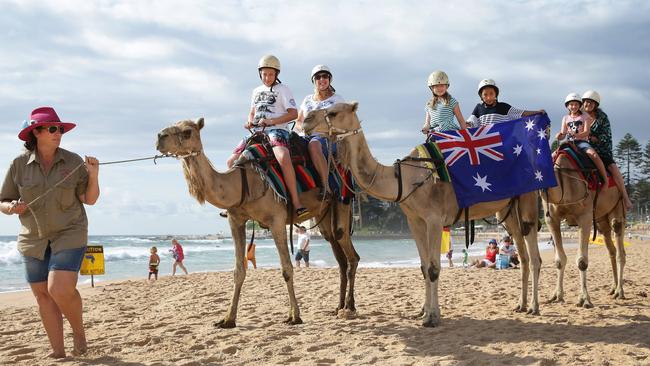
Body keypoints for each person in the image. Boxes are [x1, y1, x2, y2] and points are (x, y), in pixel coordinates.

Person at [0, 106, 100, 358]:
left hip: (70, 231)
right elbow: (3, 200)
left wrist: (94, 176)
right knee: (43, 296)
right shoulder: (19, 165)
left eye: (61, 129)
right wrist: (12, 207)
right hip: (32, 238)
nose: (59, 133)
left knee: (59, 289)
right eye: (53, 129)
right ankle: (58, 350)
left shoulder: (74, 161)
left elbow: (89, 199)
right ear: (37, 132)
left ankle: (78, 332)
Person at [225, 55, 308, 220]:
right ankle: (233, 204)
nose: (267, 77)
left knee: (283, 157)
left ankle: (297, 202)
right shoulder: (255, 91)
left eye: (270, 74)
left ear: (276, 74)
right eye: (264, 74)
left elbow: (294, 114)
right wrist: (249, 122)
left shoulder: (283, 89)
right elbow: (252, 112)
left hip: (277, 130)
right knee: (231, 161)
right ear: (260, 74)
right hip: (257, 132)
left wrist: (271, 121)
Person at [295, 65, 345, 198]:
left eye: (325, 76)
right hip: (306, 136)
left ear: (329, 79)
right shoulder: (307, 99)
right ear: (313, 81)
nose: (321, 79)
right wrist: (303, 129)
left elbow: (342, 122)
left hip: (328, 138)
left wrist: (322, 129)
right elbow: (299, 121)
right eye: (318, 77)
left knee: (314, 145)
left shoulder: (337, 99)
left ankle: (326, 187)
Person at [582, 90, 633, 211]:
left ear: (595, 105)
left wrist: (594, 138)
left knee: (612, 168)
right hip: (583, 148)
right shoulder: (580, 116)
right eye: (585, 102)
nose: (588, 104)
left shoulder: (602, 118)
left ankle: (625, 197)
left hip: (601, 149)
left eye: (591, 102)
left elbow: (606, 135)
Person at [555, 93, 608, 183]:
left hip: (582, 142)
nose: (574, 106)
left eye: (576, 104)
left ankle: (605, 179)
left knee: (594, 155)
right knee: (552, 156)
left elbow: (587, 132)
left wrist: (576, 135)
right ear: (567, 106)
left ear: (580, 105)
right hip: (569, 144)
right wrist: (559, 136)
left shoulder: (585, 116)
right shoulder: (565, 118)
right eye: (571, 104)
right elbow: (563, 133)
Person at [466, 79, 545, 127]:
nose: (488, 97)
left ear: (496, 94)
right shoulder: (479, 108)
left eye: (491, 94)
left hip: (501, 144)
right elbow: (471, 122)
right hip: (485, 145)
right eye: (485, 95)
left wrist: (537, 112)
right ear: (481, 96)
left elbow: (521, 113)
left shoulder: (503, 107)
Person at [421, 70, 467, 135]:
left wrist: (466, 135)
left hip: (449, 132)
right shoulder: (429, 104)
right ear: (432, 88)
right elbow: (427, 123)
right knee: (431, 136)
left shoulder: (452, 101)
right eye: (436, 86)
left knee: (437, 132)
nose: (439, 88)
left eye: (442, 85)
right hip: (434, 132)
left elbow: (461, 121)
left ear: (446, 86)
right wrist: (425, 128)